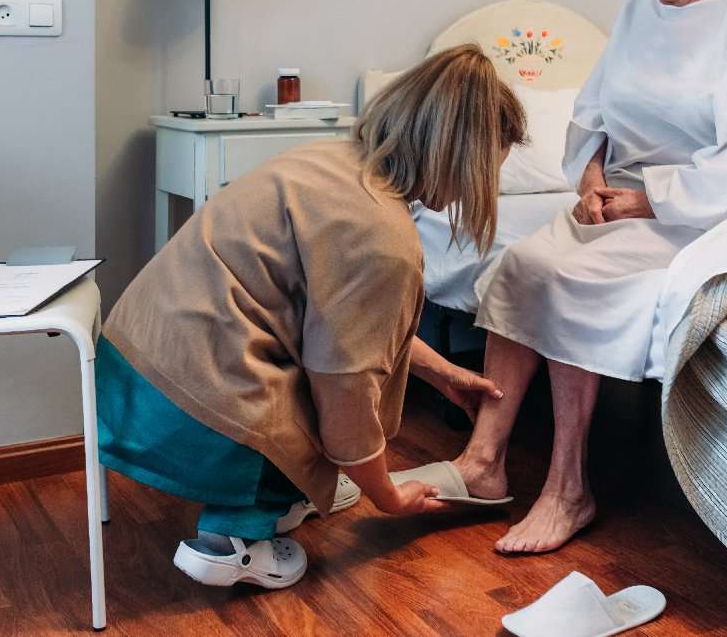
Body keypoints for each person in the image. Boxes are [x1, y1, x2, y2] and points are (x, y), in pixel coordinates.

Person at [401, 0, 727, 554]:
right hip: (618, 196)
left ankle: (568, 489)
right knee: (521, 264)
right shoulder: (639, 11)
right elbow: (595, 112)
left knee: (569, 278)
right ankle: (484, 461)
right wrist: (588, 178)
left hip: (697, 205)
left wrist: (647, 201)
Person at [96, 43, 528, 588]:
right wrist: (387, 495)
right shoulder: (383, 238)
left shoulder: (327, 162)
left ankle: (268, 496)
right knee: (312, 401)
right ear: (458, 156)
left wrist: (444, 374)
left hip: (127, 380)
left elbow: (343, 322)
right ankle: (232, 542)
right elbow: (345, 384)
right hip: (191, 408)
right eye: (487, 169)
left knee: (304, 374)